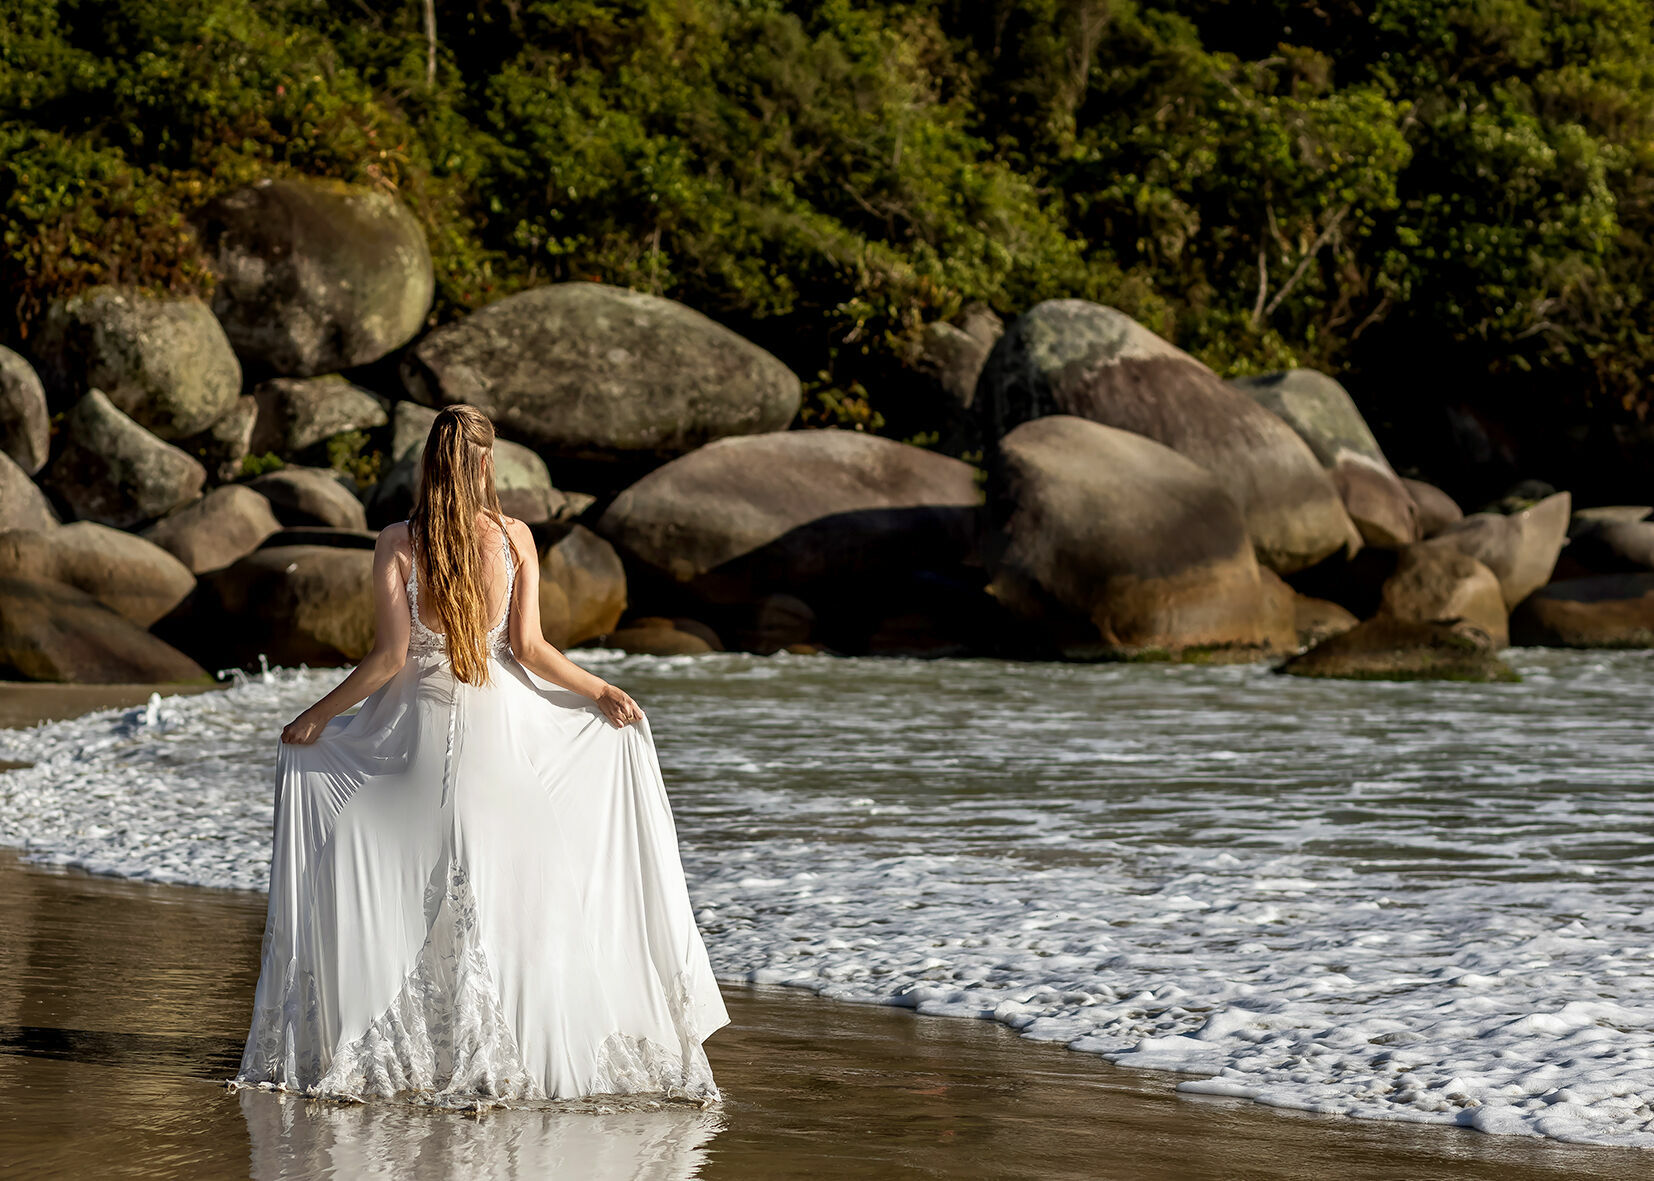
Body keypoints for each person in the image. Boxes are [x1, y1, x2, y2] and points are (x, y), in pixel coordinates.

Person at [231, 404, 728, 1108]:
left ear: (430, 462)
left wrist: (316, 716)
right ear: (487, 463)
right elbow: (529, 651)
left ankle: (379, 1049)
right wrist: (601, 690)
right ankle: (536, 1060)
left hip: (414, 744)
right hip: (500, 745)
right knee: (519, 900)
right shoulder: (515, 537)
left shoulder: (398, 542)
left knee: (371, 866)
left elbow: (388, 659)